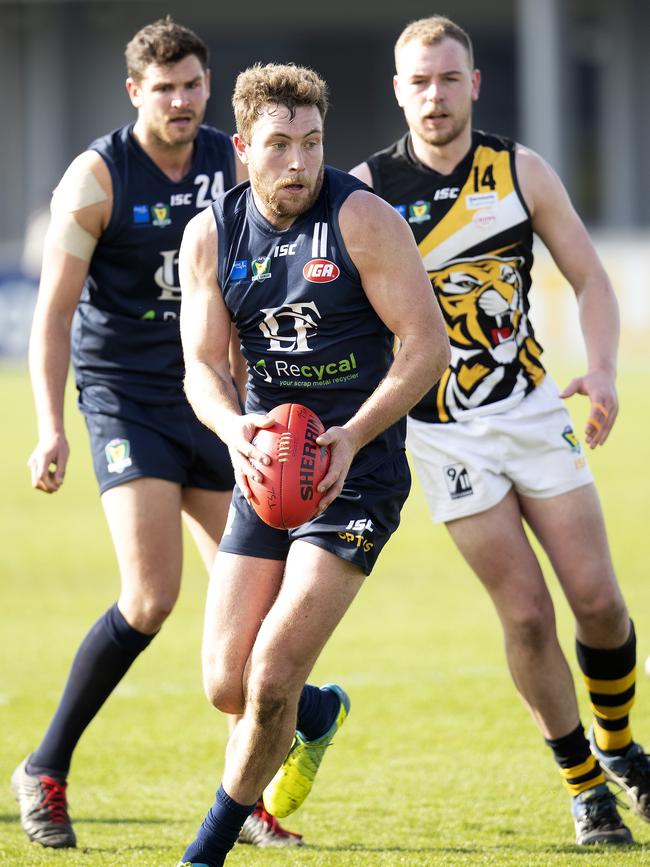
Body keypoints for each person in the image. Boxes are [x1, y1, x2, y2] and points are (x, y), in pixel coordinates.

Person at [351, 14, 650, 847]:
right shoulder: (367, 191)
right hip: (442, 433)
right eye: (420, 80)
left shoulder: (518, 170)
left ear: (474, 83)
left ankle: (623, 750)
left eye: (450, 78)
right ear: (398, 89)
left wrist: (602, 368)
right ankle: (585, 785)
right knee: (524, 615)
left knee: (598, 600)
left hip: (531, 411)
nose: (435, 95)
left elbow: (590, 277)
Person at [11, 17, 302, 852]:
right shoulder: (96, 179)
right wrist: (48, 427)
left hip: (211, 397)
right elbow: (53, 314)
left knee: (255, 615)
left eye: (192, 85)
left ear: (210, 87)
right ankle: (46, 766)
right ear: (135, 92)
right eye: (162, 88)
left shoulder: (233, 156)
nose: (180, 101)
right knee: (152, 597)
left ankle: (242, 799)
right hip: (125, 397)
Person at [176, 61, 450, 866]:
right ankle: (319, 711)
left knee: (267, 679)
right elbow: (201, 366)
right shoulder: (212, 234)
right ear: (242, 149)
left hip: (355, 470)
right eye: (278, 146)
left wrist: (355, 434)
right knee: (226, 684)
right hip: (270, 465)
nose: (298, 163)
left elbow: (427, 346)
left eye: (312, 143)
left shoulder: (362, 218)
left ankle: (207, 849)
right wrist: (236, 429)